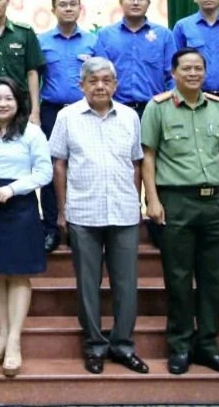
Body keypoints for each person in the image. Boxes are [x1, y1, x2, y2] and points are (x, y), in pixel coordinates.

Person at [140, 48, 219, 377]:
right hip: (177, 201)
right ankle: (181, 345)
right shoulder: (157, 108)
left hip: (214, 202)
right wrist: (151, 200)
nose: (193, 73)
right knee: (179, 278)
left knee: (214, 279)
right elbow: (149, 157)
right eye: (187, 68)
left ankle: (209, 346)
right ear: (174, 73)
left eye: (199, 68)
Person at [49, 56, 148, 375]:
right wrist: (63, 210)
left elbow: (136, 163)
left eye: (107, 80)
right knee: (88, 285)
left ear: (116, 84)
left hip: (123, 211)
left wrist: (136, 202)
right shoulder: (67, 116)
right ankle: (94, 345)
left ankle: (122, 345)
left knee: (126, 284)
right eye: (93, 81)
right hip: (83, 211)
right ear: (82, 85)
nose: (101, 85)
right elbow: (59, 164)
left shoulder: (131, 116)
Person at [0, 77, 52, 377]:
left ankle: (15, 340)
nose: (2, 103)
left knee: (18, 273)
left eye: (8, 98)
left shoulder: (32, 132)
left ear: (18, 102)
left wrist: (13, 189)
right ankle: (2, 335)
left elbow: (43, 172)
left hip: (20, 206)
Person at [92, 0, 176, 249]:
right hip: (117, 111)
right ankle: (121, 217)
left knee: (156, 165)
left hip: (155, 110)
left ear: (149, 3)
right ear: (121, 2)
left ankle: (155, 218)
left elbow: (171, 75)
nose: (136, 2)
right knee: (120, 165)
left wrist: (170, 106)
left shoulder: (164, 35)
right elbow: (100, 75)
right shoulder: (106, 36)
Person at [36, 0, 95, 253]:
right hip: (51, 111)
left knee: (84, 167)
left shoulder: (95, 41)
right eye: (63, 4)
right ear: (53, 9)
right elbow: (34, 79)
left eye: (73, 4)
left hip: (86, 111)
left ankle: (81, 227)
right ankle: (51, 228)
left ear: (80, 8)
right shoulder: (41, 41)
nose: (68, 8)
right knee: (51, 169)